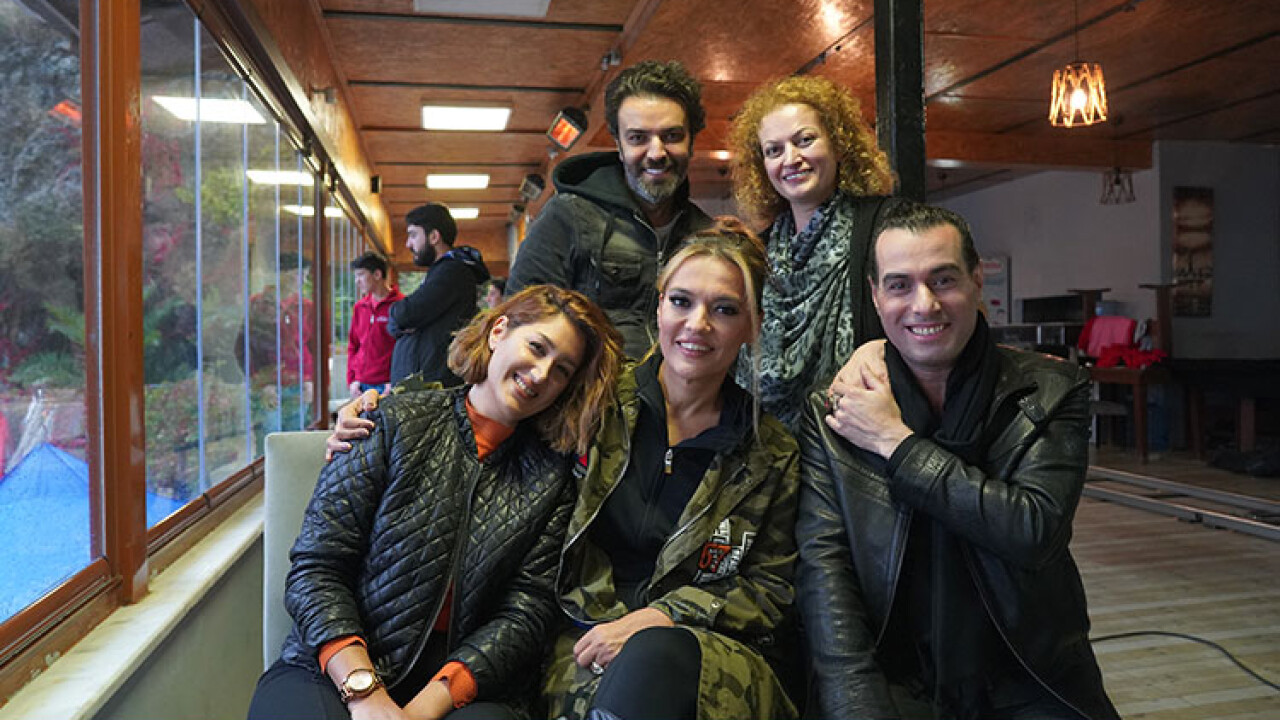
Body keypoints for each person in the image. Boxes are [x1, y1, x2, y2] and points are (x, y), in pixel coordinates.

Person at [796, 202, 1119, 720]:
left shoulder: (1052, 389)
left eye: (943, 280)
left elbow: (1033, 532)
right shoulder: (836, 408)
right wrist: (855, 702)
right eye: (900, 285)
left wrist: (896, 443)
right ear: (876, 296)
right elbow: (826, 573)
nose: (924, 304)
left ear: (976, 281)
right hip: (894, 670)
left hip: (1027, 671)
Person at [247, 285, 624, 720]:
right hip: (333, 666)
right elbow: (316, 568)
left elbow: (526, 611)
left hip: (463, 689)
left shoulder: (552, 478)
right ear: (499, 331)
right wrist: (365, 692)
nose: (540, 374)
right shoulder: (392, 423)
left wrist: (423, 708)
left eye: (561, 370)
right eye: (537, 348)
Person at [542, 218, 799, 720]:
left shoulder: (770, 451)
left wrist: (661, 616)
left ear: (752, 326)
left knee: (654, 656)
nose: (697, 324)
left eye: (724, 309)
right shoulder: (594, 403)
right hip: (584, 636)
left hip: (708, 650)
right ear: (659, 306)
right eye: (682, 301)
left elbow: (770, 589)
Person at [507, 60, 713, 358]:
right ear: (619, 146)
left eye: (672, 136)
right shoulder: (568, 217)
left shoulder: (707, 236)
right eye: (638, 138)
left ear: (691, 142)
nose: (657, 152)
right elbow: (520, 325)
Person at [727, 74, 898, 430]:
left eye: (804, 140)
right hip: (769, 449)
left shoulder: (885, 227)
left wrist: (880, 347)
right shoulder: (757, 252)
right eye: (773, 150)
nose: (791, 159)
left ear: (839, 144)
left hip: (863, 440)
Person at [388, 202, 489, 385]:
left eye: (413, 235)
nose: (408, 244)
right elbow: (398, 322)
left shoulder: (452, 271)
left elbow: (405, 314)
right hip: (426, 385)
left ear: (434, 236)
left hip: (434, 387)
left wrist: (400, 319)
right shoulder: (441, 272)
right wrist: (400, 322)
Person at [346, 252, 403, 397]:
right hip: (360, 386)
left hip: (388, 386)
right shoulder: (360, 307)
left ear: (377, 274)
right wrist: (352, 380)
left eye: (360, 275)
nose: (357, 281)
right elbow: (353, 345)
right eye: (355, 276)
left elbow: (406, 349)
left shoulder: (400, 306)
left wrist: (396, 382)